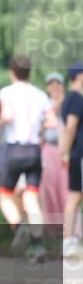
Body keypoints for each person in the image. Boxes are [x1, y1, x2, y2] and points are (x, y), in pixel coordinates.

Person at [0, 56, 56, 264]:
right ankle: (38, 245)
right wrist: (37, 128)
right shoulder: (40, 95)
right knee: (31, 199)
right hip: (34, 150)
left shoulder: (6, 92)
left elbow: (7, 115)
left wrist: (1, 123)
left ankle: (18, 225)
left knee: (5, 195)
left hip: (14, 149)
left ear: (12, 72)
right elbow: (52, 122)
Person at [40, 72, 68, 235]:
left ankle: (69, 228)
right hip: (48, 149)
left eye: (58, 84)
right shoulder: (44, 105)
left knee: (66, 189)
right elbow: (42, 126)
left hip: (65, 150)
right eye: (52, 84)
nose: (55, 87)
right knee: (49, 189)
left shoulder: (71, 103)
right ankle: (53, 229)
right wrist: (56, 105)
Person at [61, 63, 83, 256]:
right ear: (79, 76)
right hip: (80, 153)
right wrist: (66, 153)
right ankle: (68, 240)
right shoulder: (76, 98)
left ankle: (70, 239)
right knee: (75, 196)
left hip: (76, 153)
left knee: (76, 196)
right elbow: (70, 127)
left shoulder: (69, 98)